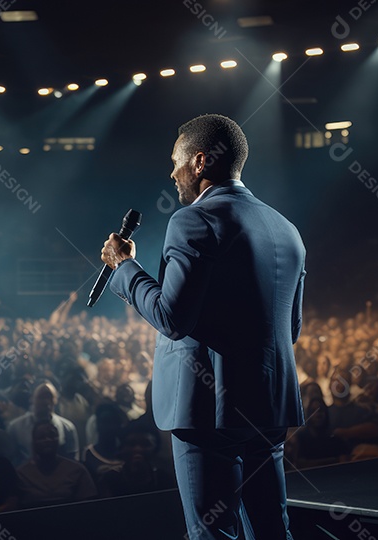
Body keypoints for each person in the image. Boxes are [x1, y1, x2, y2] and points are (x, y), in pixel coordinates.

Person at [101, 114, 306, 539]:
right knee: (271, 530)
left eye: (175, 161)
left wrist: (125, 268)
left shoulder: (193, 221)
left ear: (199, 162)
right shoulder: (288, 231)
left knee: (213, 533)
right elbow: (291, 329)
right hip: (268, 407)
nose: (170, 172)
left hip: (209, 411)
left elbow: (172, 319)